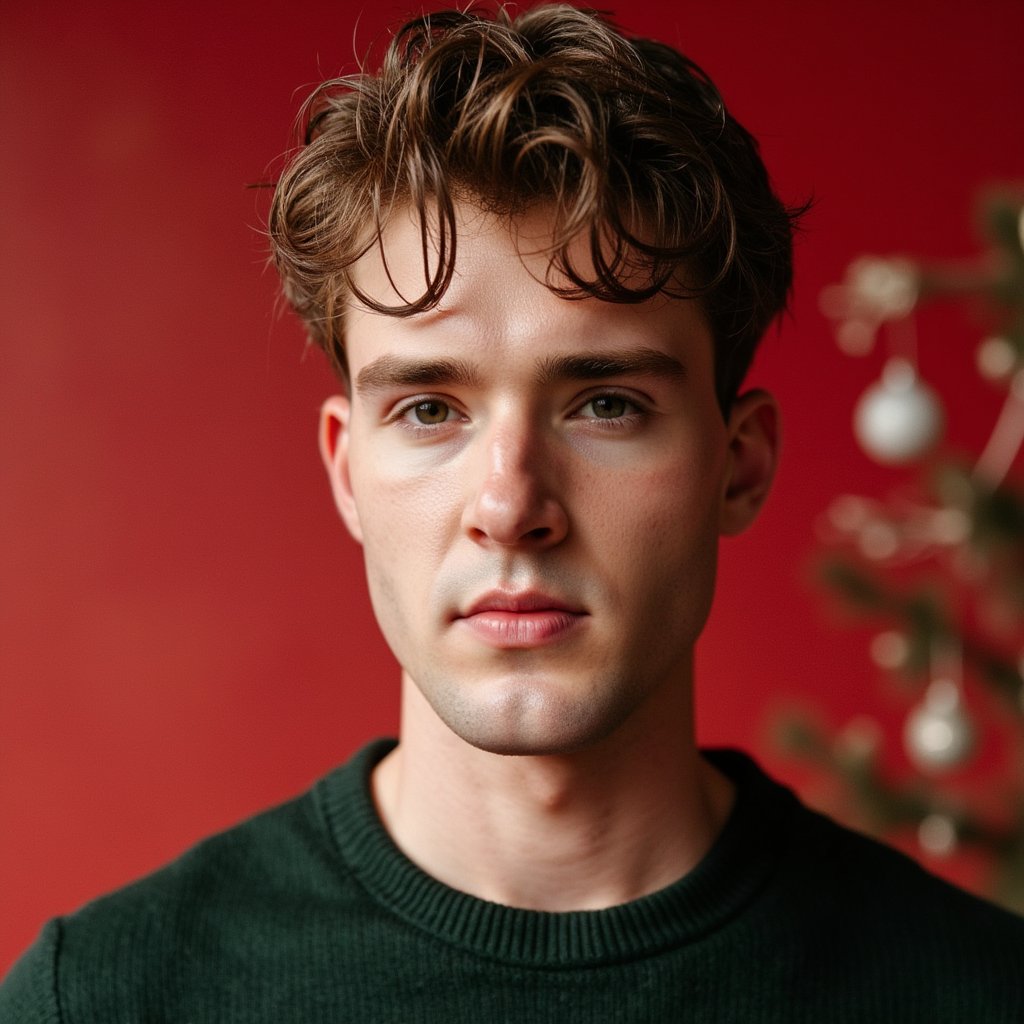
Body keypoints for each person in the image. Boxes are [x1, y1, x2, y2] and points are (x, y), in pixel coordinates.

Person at [2, 5, 1022, 1021]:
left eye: (606, 403)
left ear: (738, 468)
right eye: (429, 408)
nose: (509, 505)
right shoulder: (101, 998)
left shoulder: (970, 992)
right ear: (348, 471)